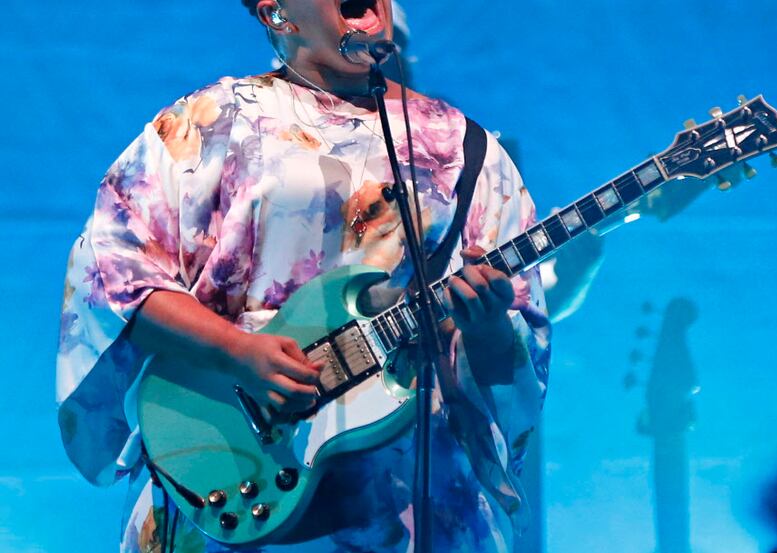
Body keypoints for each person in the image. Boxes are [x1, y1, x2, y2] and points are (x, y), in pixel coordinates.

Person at [56, 1, 551, 551]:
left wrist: (485, 328)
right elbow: (112, 269)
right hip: (237, 478)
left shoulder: (467, 152)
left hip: (410, 501)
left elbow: (516, 344)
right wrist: (237, 351)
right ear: (278, 12)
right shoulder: (215, 120)